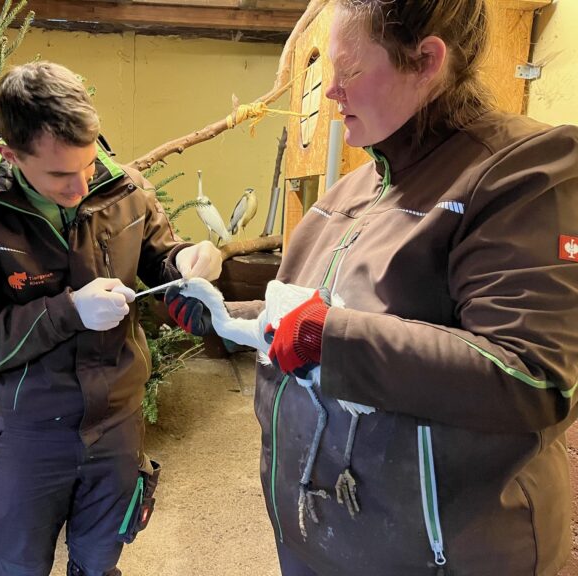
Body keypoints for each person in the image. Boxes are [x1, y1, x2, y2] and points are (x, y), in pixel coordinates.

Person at [166, 1, 578, 574]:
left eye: (349, 70)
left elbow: (530, 375)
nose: (331, 90)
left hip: (435, 554)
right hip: (321, 533)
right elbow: (314, 312)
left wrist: (325, 341)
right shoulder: (351, 191)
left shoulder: (520, 172)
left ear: (426, 61)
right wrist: (228, 315)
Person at [0, 61, 222, 576]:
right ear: (11, 155)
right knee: (17, 564)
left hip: (117, 423)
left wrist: (187, 261)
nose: (80, 185)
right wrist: (68, 312)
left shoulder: (126, 190)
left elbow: (160, 258)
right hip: (29, 433)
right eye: (60, 174)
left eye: (87, 165)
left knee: (100, 560)